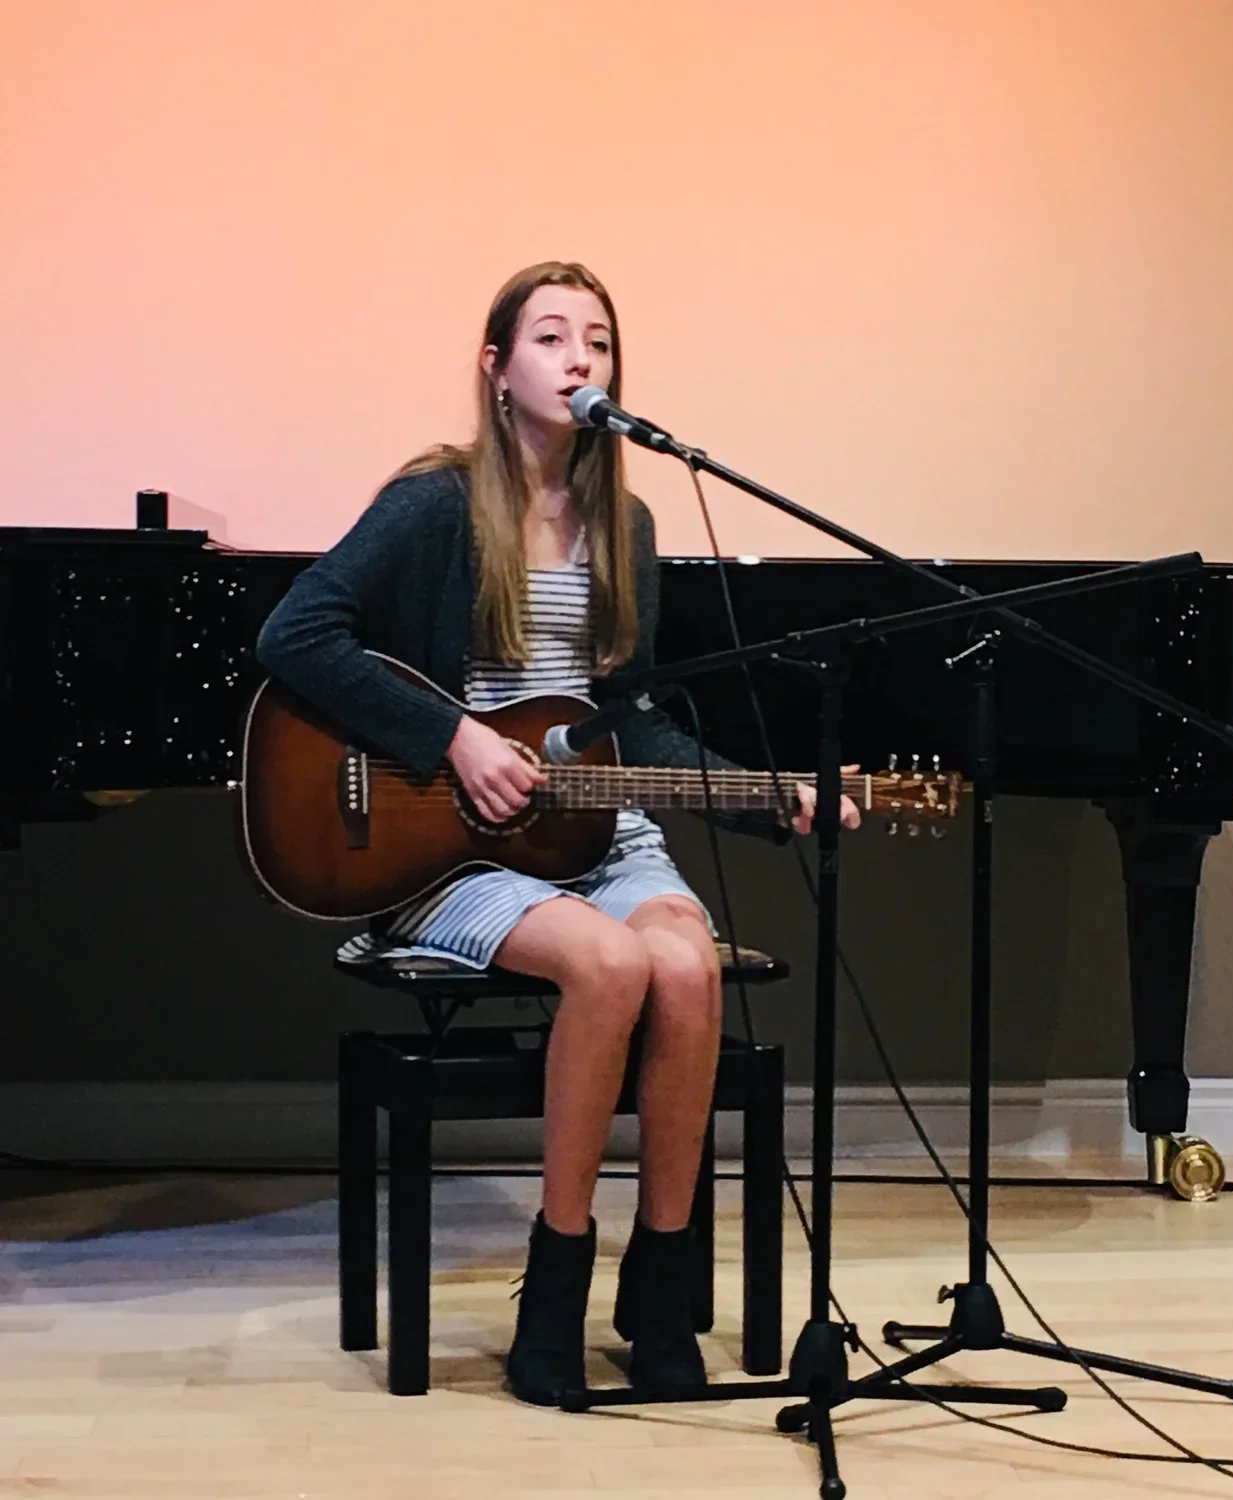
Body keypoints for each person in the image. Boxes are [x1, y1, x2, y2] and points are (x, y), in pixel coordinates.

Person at [256, 261, 858, 1405]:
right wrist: (454, 741)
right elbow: (298, 633)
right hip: (455, 845)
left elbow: (629, 721)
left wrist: (763, 796)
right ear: (497, 368)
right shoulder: (434, 504)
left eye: (599, 341)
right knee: (610, 960)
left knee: (684, 966)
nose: (579, 359)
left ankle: (662, 1281)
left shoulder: (623, 520)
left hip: (597, 829)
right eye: (549, 337)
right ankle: (557, 1274)